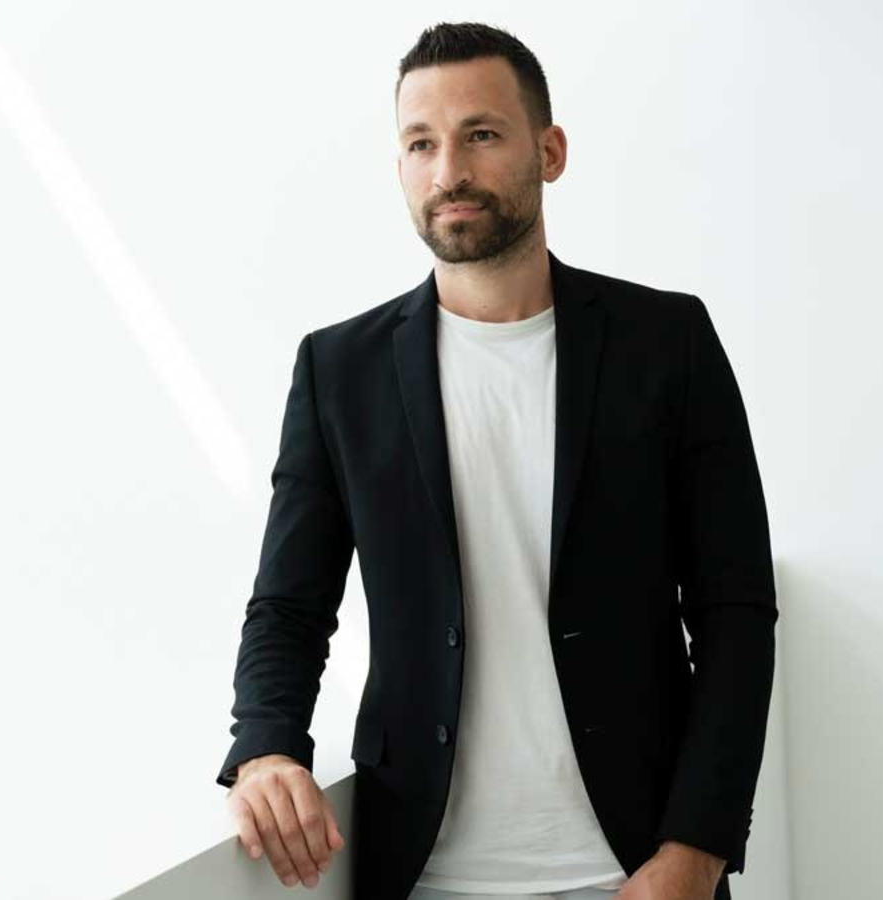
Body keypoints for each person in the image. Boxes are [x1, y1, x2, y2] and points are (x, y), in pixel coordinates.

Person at [217, 21, 776, 900]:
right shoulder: (340, 371)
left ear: (549, 152)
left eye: (480, 134)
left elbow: (734, 614)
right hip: (426, 872)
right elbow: (289, 605)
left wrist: (696, 852)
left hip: (635, 870)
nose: (449, 171)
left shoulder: (667, 343)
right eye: (421, 143)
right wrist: (265, 748)